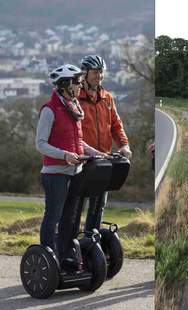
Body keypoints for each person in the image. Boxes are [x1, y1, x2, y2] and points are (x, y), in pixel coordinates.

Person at [36, 64, 104, 255]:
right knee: (53, 217)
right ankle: (48, 256)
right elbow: (40, 144)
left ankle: (64, 256)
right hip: (55, 174)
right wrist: (64, 155)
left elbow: (78, 141)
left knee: (69, 218)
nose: (80, 85)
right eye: (77, 82)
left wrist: (95, 153)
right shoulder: (49, 110)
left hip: (75, 172)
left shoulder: (73, 108)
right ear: (65, 85)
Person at [79, 54, 132, 231]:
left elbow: (116, 125)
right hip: (83, 159)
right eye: (95, 72)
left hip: (104, 159)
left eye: (101, 72)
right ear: (85, 73)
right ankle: (71, 242)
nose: (99, 75)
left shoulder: (107, 97)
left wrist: (124, 145)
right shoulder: (76, 97)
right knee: (78, 203)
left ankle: (91, 238)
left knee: (99, 204)